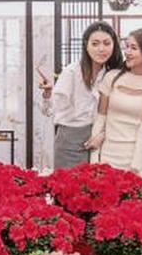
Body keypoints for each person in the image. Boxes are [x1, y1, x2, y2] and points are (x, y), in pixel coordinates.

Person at [86, 27, 142, 182]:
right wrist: (94, 159)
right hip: (108, 156)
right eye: (126, 47)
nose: (127, 52)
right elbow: (101, 118)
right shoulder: (111, 77)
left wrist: (135, 167)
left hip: (138, 160)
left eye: (133, 48)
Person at [39, 22, 123, 169]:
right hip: (70, 141)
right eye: (95, 44)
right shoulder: (72, 72)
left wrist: (103, 133)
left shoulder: (113, 74)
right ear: (86, 45)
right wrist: (47, 94)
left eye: (106, 43)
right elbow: (49, 111)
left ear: (114, 45)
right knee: (70, 182)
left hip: (103, 141)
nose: (101, 49)